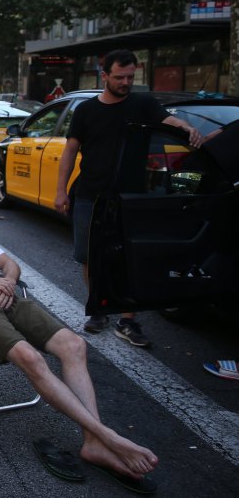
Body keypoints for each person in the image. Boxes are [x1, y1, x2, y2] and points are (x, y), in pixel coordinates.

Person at [0, 170, 159, 488]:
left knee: (74, 346)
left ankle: (94, 443)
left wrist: (8, 281)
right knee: (31, 357)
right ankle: (106, 436)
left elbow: (9, 264)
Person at [54, 49, 201, 348]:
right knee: (90, 257)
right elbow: (70, 150)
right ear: (104, 74)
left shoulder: (143, 103)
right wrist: (60, 191)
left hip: (129, 197)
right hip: (89, 195)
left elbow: (168, 122)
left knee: (125, 257)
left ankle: (128, 319)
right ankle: (99, 308)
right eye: (119, 77)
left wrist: (186, 128)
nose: (125, 82)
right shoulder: (85, 111)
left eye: (130, 77)